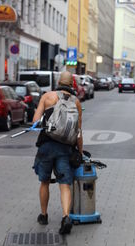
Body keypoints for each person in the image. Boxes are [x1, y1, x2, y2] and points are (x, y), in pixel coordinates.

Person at [32, 71, 83, 235]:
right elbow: (79, 132)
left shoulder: (47, 96)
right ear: (72, 84)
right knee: (64, 184)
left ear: (59, 81)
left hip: (46, 146)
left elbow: (35, 121)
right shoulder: (76, 102)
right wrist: (80, 152)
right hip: (65, 148)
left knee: (45, 181)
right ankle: (66, 217)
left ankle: (44, 215)